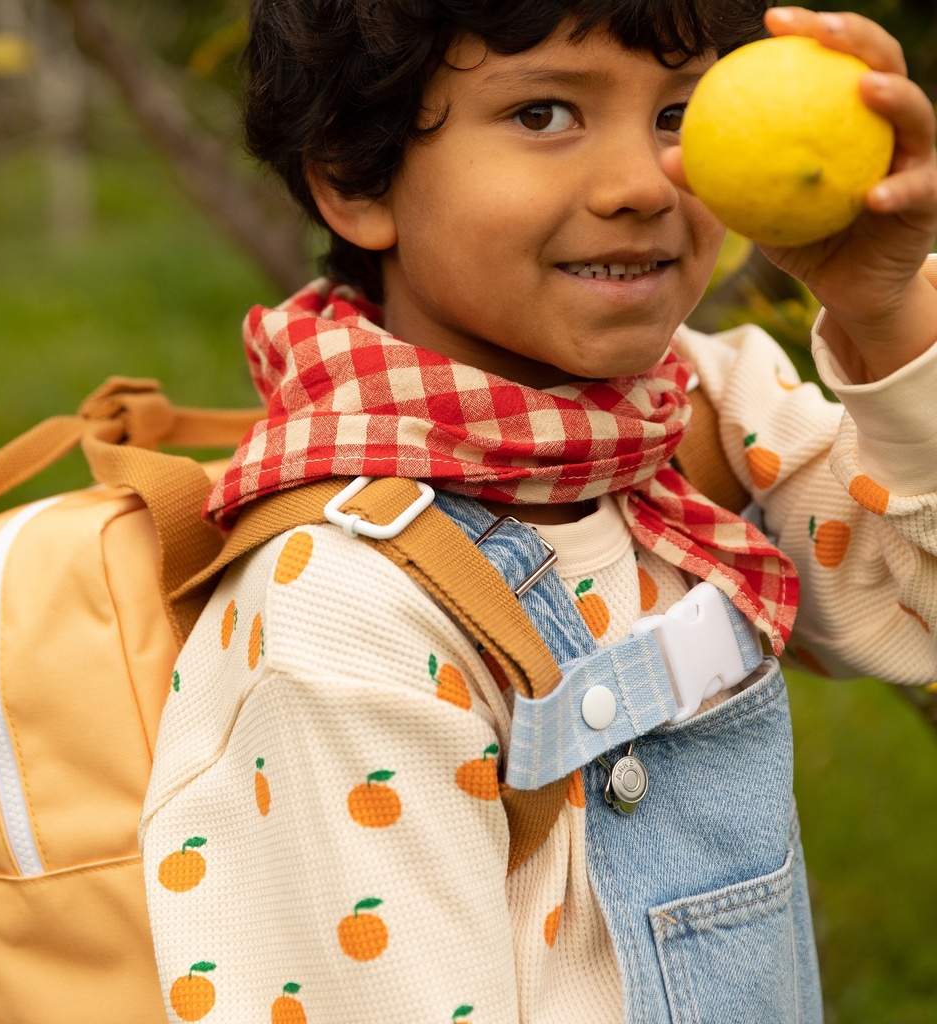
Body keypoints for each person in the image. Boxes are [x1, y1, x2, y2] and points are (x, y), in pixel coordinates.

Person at [139, 2, 937, 1022]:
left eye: (680, 114)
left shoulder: (696, 414)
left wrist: (884, 312)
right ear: (354, 173)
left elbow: (916, 615)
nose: (641, 186)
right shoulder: (344, 606)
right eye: (545, 114)